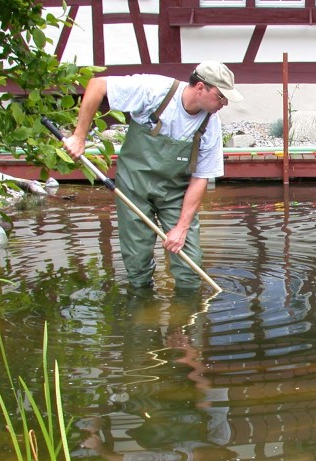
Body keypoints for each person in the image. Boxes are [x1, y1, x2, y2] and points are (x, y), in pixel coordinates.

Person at [63, 61, 244, 291]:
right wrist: (79, 137)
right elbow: (98, 85)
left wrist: (181, 228)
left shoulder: (211, 125)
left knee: (189, 264)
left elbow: (200, 178)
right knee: (137, 261)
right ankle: (141, 313)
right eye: (221, 96)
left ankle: (187, 318)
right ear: (200, 88)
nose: (224, 103)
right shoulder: (155, 90)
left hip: (175, 193)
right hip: (134, 187)